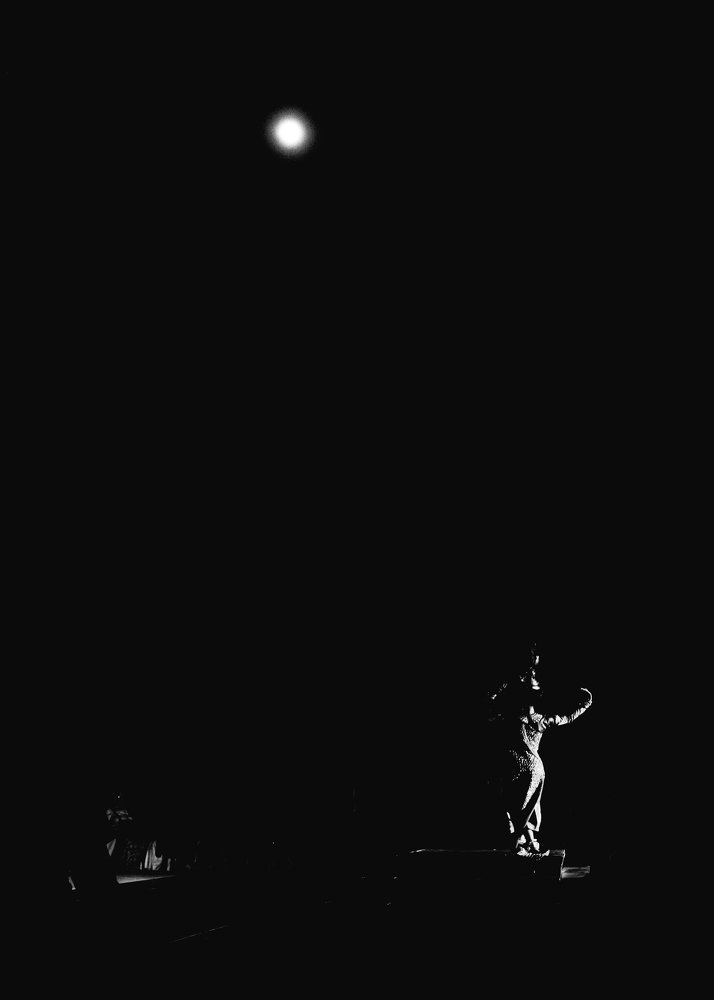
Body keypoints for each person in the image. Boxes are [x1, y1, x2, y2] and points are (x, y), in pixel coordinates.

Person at [487, 644, 592, 855]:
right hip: (534, 769)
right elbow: (568, 717)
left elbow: (489, 702)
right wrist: (586, 702)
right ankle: (530, 844)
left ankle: (522, 844)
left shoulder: (507, 718)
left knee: (513, 807)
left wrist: (505, 684)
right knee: (526, 807)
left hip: (513, 767)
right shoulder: (541, 720)